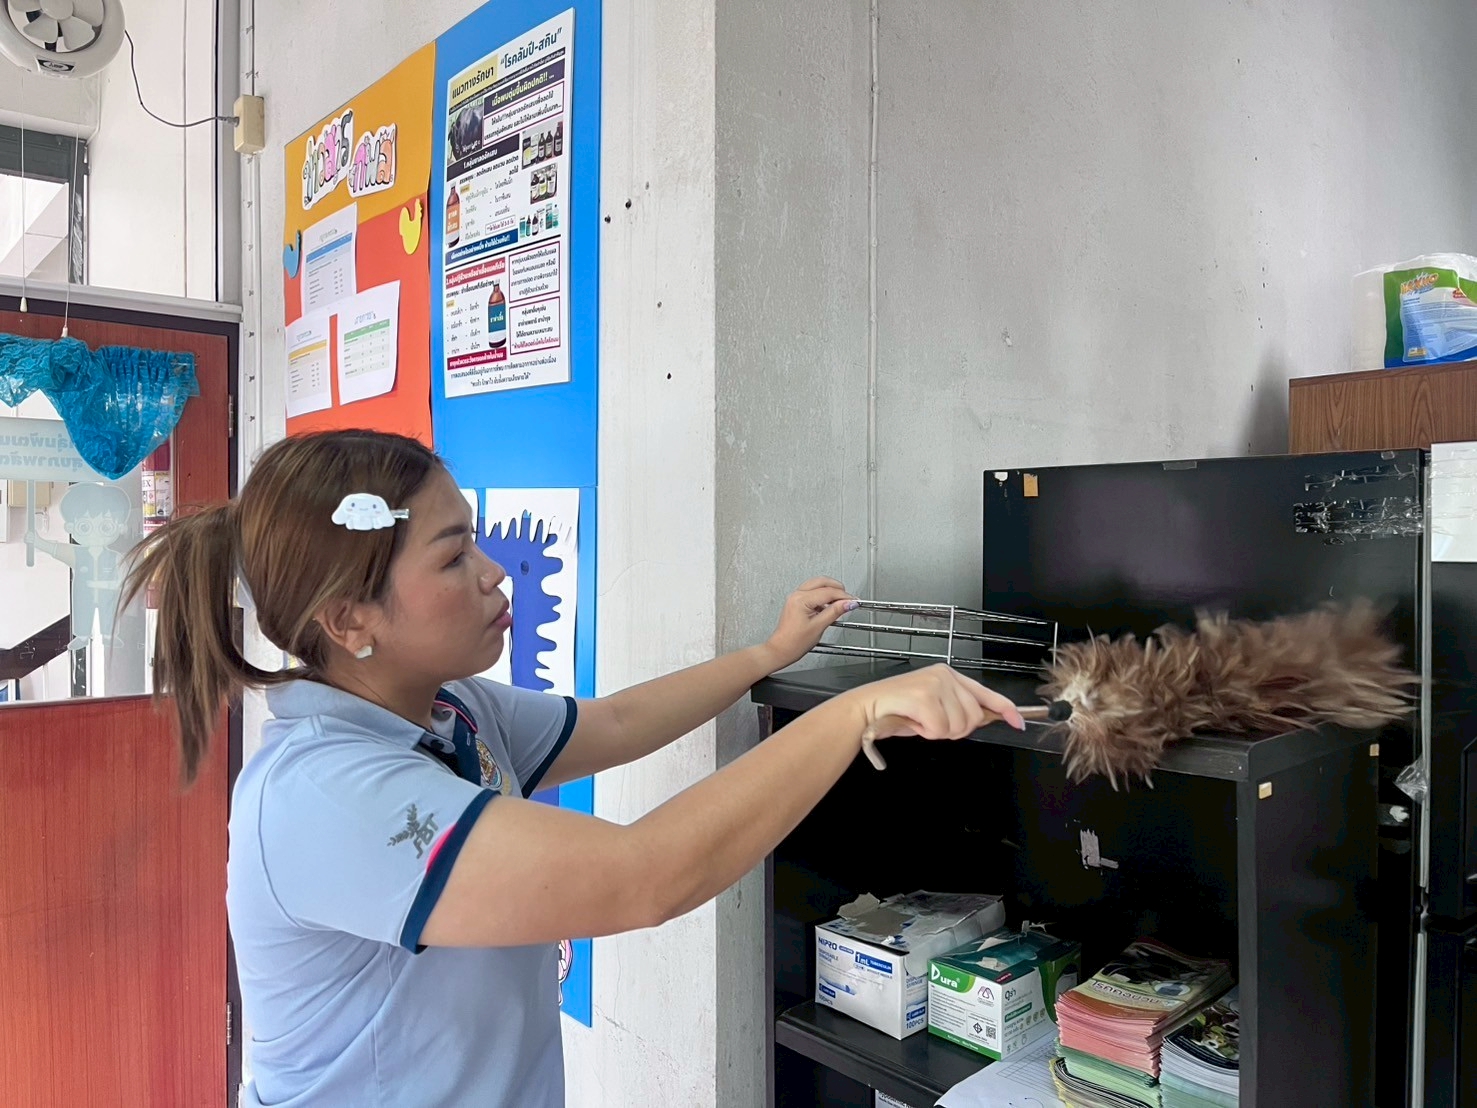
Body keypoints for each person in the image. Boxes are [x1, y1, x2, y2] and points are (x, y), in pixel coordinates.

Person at [122, 429, 1024, 1108]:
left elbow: (615, 721)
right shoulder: (323, 796)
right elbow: (644, 877)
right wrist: (854, 713)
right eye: (453, 555)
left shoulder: (449, 710)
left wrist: (766, 656)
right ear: (350, 619)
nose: (494, 574)